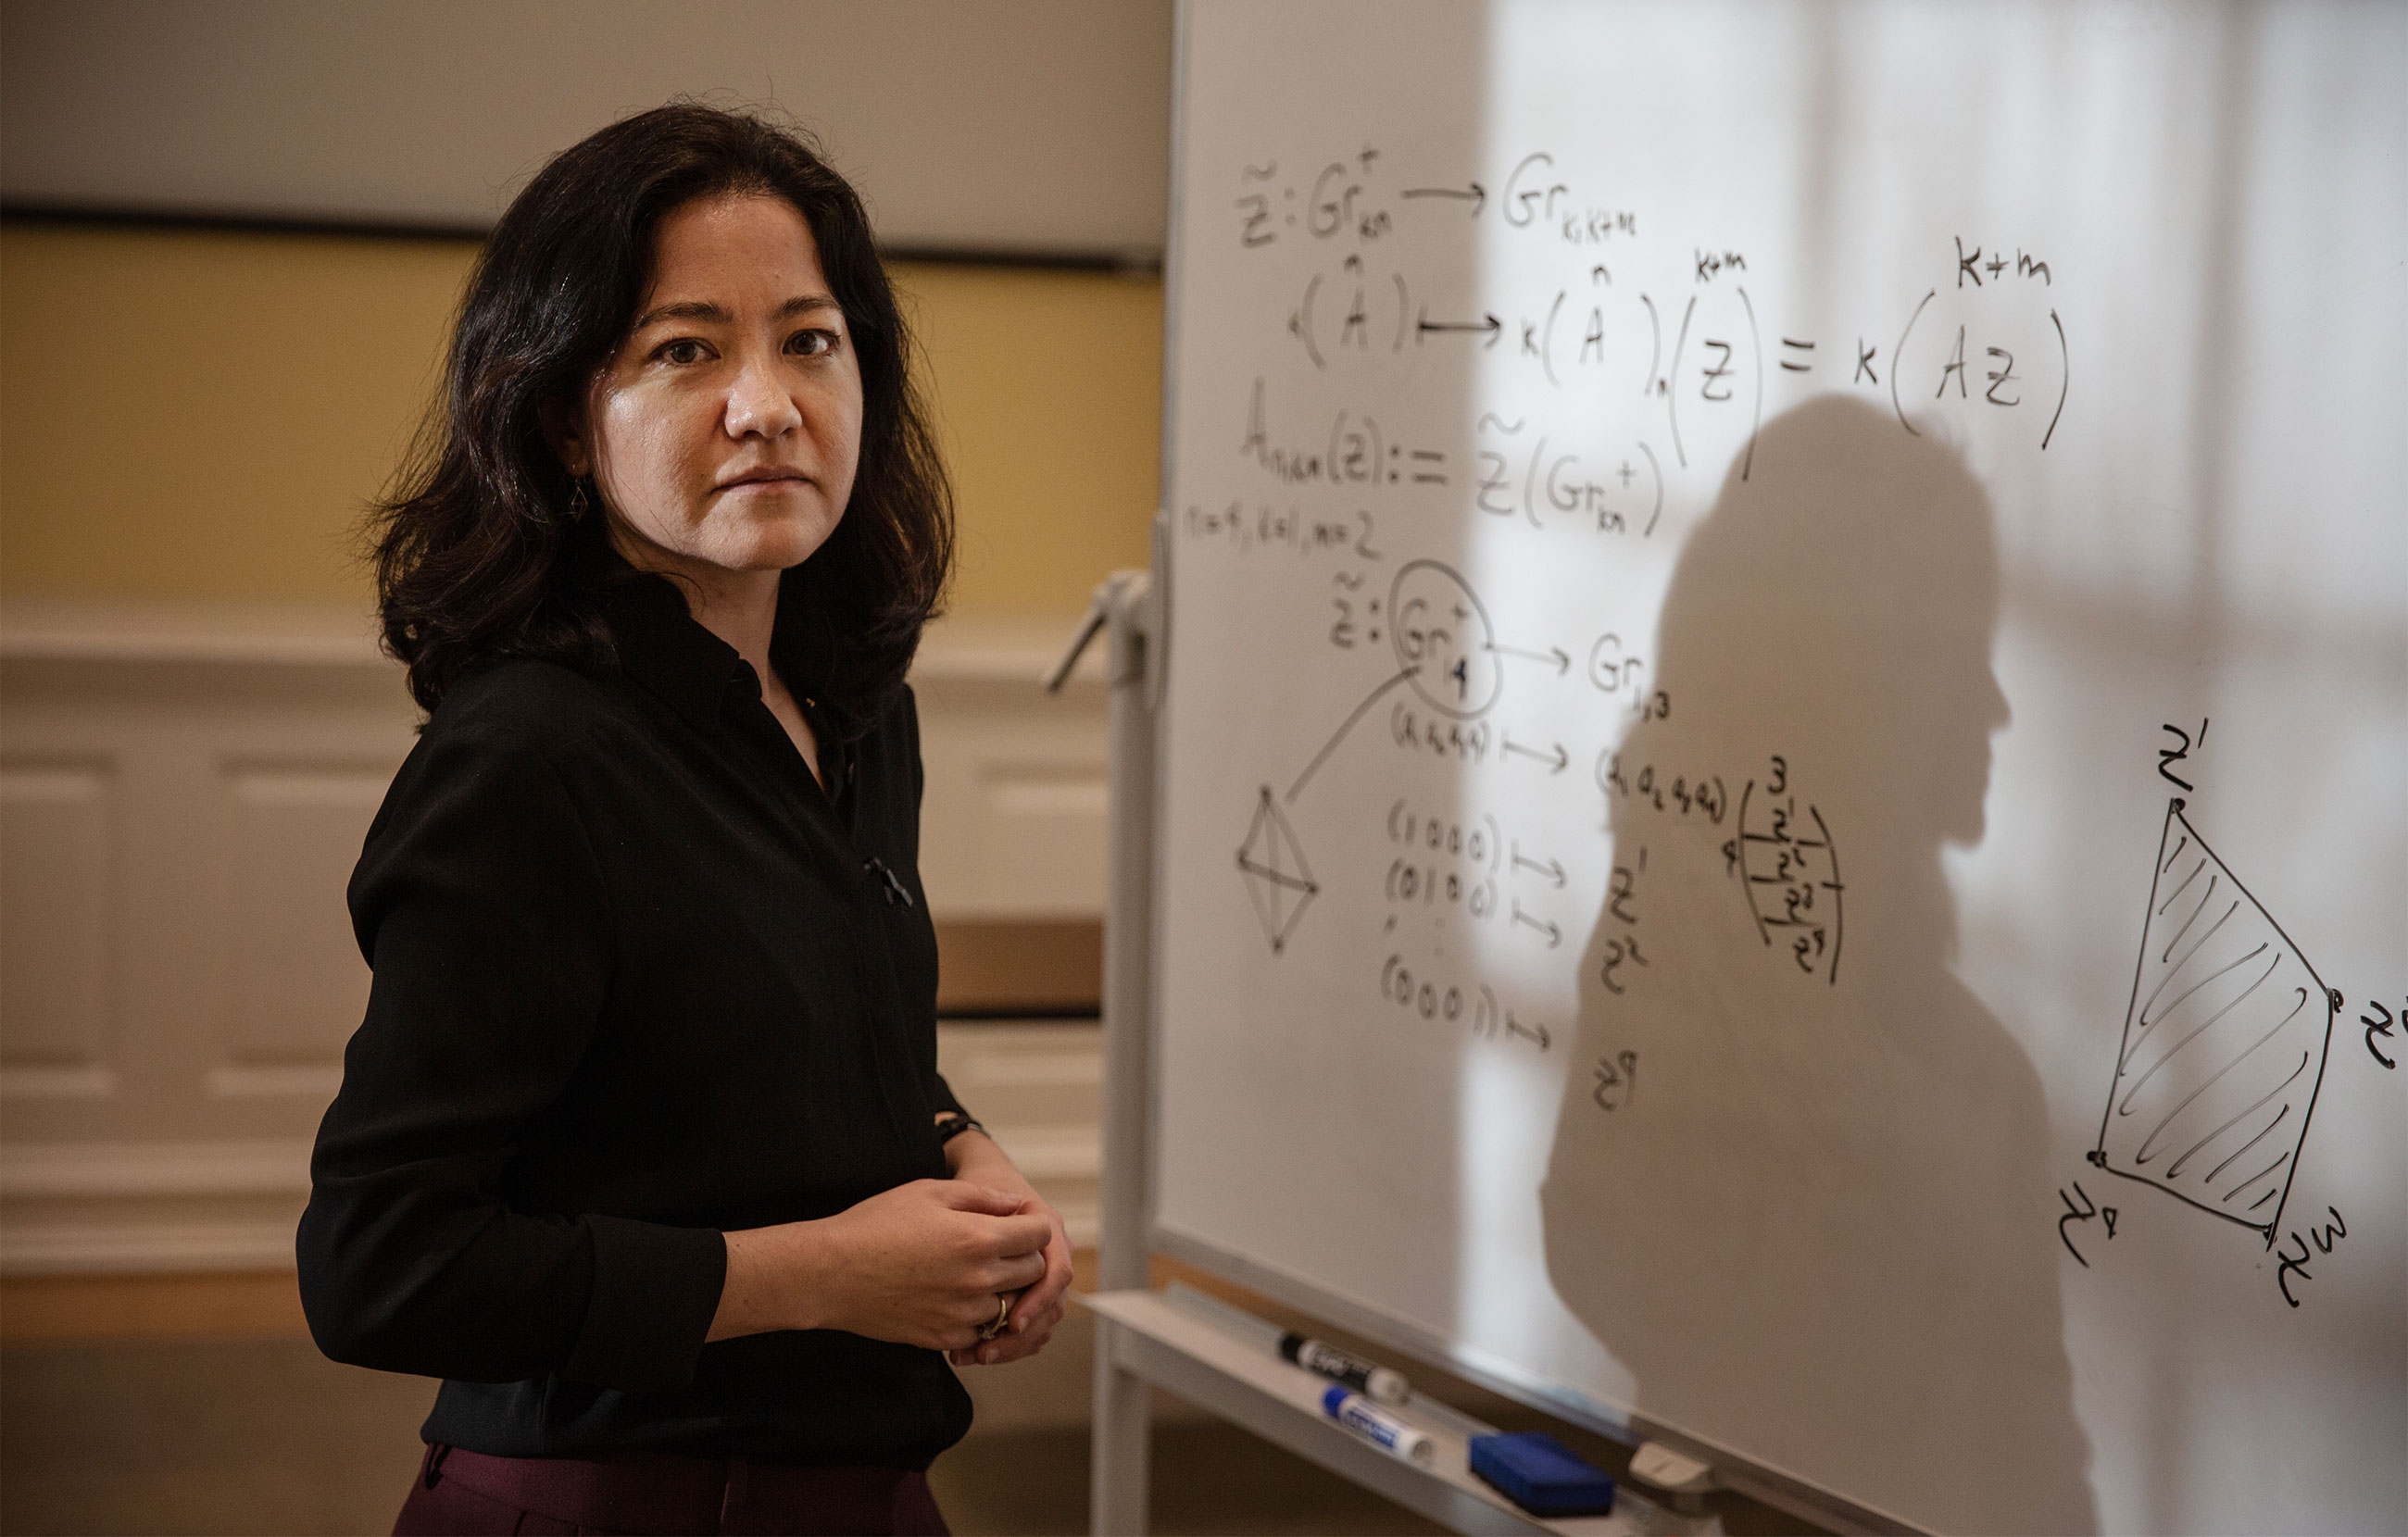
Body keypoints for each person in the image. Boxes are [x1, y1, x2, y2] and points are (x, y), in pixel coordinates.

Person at [296, 104, 1072, 1537]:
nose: (767, 402)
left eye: (811, 341)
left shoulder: (852, 708)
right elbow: (378, 1264)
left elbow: (788, 1047)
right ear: (562, 423)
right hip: (612, 1495)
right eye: (685, 349)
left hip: (866, 1481)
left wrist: (964, 1155)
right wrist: (834, 1274)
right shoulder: (527, 763)